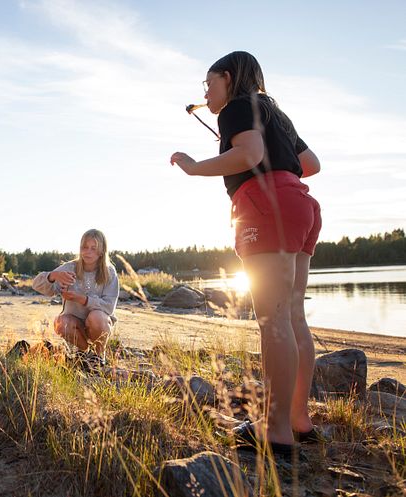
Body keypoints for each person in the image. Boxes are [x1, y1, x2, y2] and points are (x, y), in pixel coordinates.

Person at [169, 51, 322, 456]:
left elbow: (250, 155)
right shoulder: (276, 113)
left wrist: (195, 166)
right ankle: (298, 420)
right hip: (301, 204)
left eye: (209, 82)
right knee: (293, 317)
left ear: (229, 76)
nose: (205, 91)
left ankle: (275, 432)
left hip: (266, 206)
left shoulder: (237, 106)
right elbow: (311, 164)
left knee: (273, 322)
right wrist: (278, 171)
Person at [32, 229, 119, 366]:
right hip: (74, 323)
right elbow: (36, 284)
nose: (88, 252)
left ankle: (98, 355)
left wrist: (81, 299)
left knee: (96, 317)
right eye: (85, 247)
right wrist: (53, 276)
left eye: (93, 248)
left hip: (99, 323)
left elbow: (108, 306)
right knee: (60, 323)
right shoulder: (70, 268)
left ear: (101, 251)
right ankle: (82, 352)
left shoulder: (109, 272)